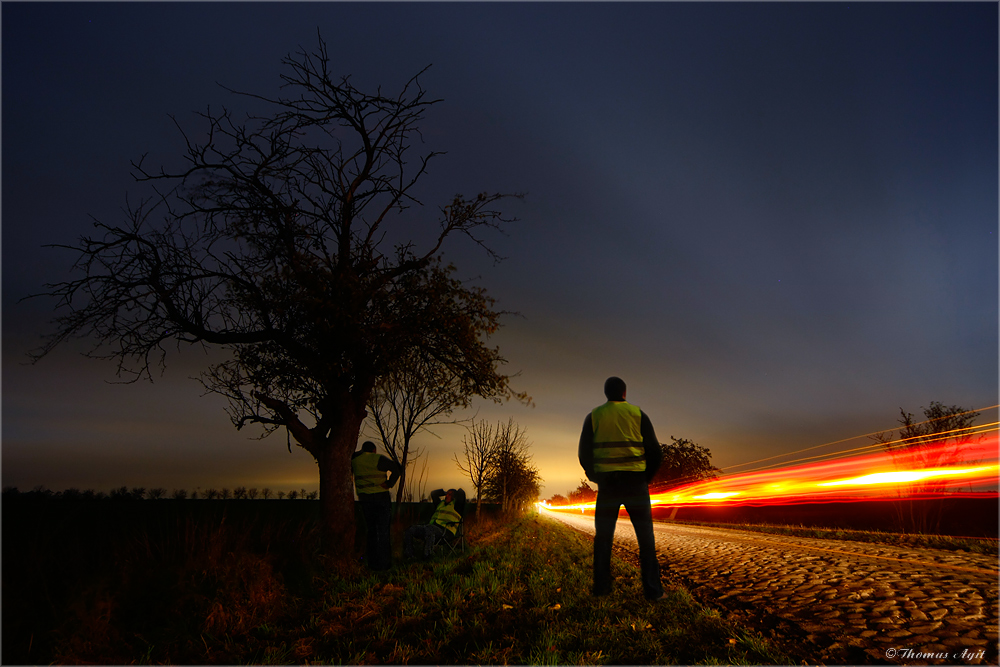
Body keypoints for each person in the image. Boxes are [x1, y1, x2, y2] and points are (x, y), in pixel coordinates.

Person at [578, 376, 666, 601]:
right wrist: (646, 478)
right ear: (625, 393)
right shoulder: (638, 414)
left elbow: (584, 453)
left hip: (608, 485)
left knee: (603, 539)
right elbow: (655, 451)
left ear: (606, 394)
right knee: (645, 538)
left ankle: (602, 589)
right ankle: (653, 592)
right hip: (636, 483)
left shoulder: (594, 416)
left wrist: (595, 476)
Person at [351, 441, 401, 571]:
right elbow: (397, 468)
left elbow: (354, 455)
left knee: (371, 531)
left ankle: (372, 563)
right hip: (381, 498)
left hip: (365, 499)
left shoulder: (355, 460)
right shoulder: (378, 458)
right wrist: (390, 483)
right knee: (383, 531)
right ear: (374, 450)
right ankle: (384, 564)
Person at [403, 487, 466, 559]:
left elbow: (461, 493)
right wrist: (444, 492)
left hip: (446, 532)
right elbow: (433, 493)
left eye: (449, 495)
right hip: (431, 528)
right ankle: (409, 555)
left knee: (430, 529)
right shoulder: (440, 504)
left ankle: (427, 556)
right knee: (410, 529)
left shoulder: (457, 506)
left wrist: (455, 493)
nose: (446, 496)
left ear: (454, 497)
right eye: (446, 494)